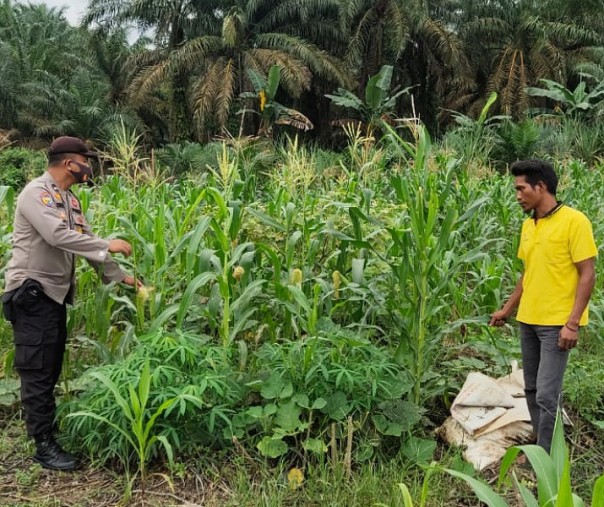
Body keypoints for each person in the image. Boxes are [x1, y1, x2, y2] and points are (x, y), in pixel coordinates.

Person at [1, 136, 140, 471]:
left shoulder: (70, 201)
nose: (89, 166)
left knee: (48, 366)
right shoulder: (37, 193)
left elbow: (86, 244)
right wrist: (110, 242)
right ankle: (43, 447)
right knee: (37, 370)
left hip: (53, 296)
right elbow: (56, 236)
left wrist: (120, 277)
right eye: (85, 160)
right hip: (32, 295)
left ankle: (47, 432)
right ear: (69, 163)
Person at [490, 159, 597, 453]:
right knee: (532, 389)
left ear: (541, 186)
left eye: (521, 188)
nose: (517, 195)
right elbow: (529, 272)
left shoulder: (575, 221)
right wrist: (508, 309)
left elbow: (588, 274)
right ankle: (542, 447)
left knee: (547, 395)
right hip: (529, 320)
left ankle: (549, 459)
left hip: (557, 324)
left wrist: (572, 323)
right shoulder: (529, 225)